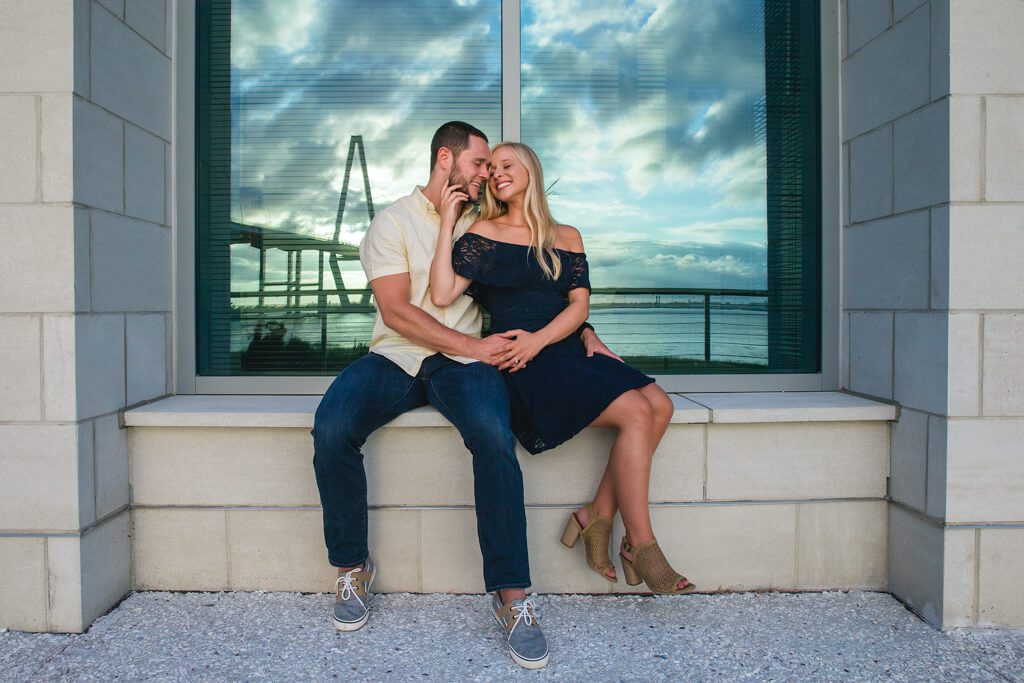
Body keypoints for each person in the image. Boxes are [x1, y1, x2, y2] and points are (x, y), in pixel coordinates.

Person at [312, 122, 617, 670]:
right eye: (479, 164)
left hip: (465, 364)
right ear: (445, 159)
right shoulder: (392, 223)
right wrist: (473, 348)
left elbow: (540, 285)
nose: (487, 175)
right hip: (399, 355)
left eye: (493, 167)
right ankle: (352, 566)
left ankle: (513, 597)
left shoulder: (486, 221)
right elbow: (398, 312)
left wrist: (583, 332)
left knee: (494, 440)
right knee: (332, 427)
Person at [429, 141, 696, 596]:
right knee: (636, 411)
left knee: (661, 405)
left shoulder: (567, 235)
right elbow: (440, 295)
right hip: (523, 362)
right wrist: (449, 224)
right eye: (490, 169)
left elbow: (577, 307)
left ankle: (595, 515)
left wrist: (560, 336)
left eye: (506, 165)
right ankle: (641, 545)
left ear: (531, 169)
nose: (496, 175)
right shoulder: (481, 234)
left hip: (560, 345)